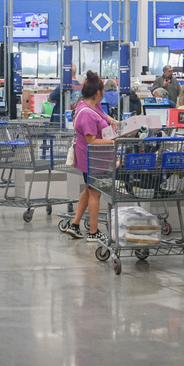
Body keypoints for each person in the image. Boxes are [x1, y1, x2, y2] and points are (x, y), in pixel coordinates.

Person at [65, 71, 118, 242]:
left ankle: (74, 225)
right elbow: (92, 140)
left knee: (88, 191)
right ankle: (93, 232)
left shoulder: (91, 106)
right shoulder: (86, 113)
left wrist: (118, 124)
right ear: (98, 92)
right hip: (93, 160)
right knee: (95, 194)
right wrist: (113, 141)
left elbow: (105, 117)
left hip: (94, 159)